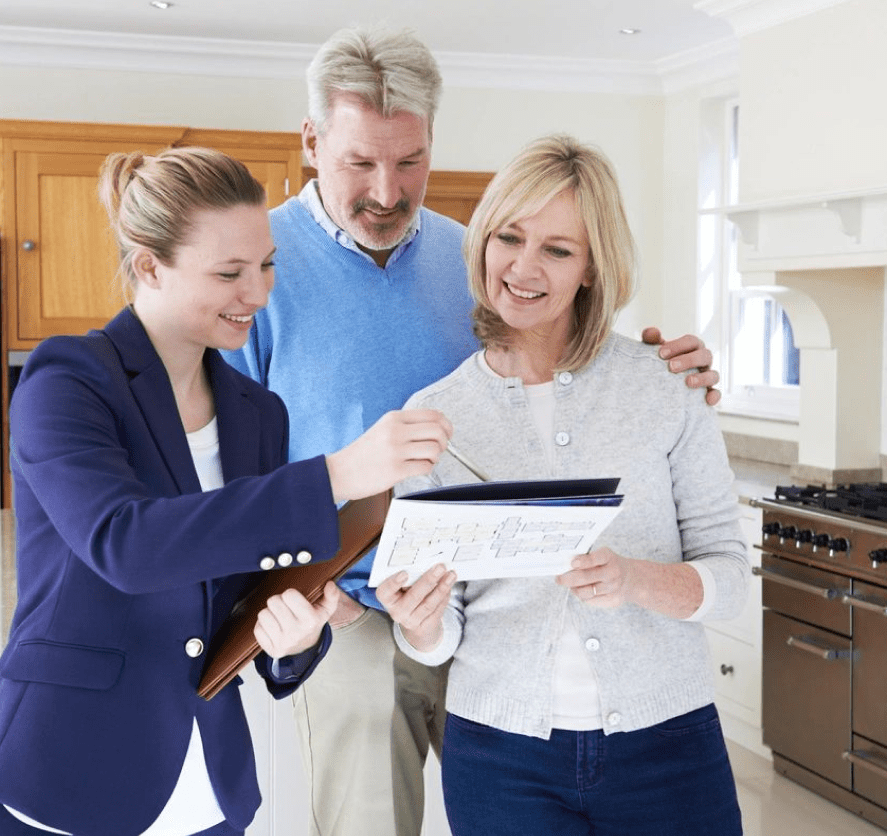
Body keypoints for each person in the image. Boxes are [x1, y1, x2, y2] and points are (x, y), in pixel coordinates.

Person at [223, 27, 723, 836]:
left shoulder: (479, 261)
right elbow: (225, 479)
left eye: (409, 160)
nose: (386, 190)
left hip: (495, 620)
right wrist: (322, 604)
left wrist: (675, 366)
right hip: (349, 615)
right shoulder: (258, 270)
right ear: (312, 142)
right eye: (358, 162)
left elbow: (569, 377)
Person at [0, 146, 451, 836]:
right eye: (229, 273)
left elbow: (241, 589)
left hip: (203, 787)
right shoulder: (68, 381)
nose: (258, 294)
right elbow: (127, 544)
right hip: (61, 776)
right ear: (149, 266)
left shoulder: (255, 411)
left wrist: (295, 636)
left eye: (266, 265)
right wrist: (337, 474)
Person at [377, 134, 748, 835]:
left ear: (591, 267)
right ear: (481, 242)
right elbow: (438, 637)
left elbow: (729, 577)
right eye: (508, 237)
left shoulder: (666, 385)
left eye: (556, 249)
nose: (521, 267)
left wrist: (633, 581)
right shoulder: (432, 419)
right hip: (498, 757)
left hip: (667, 743)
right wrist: (418, 623)